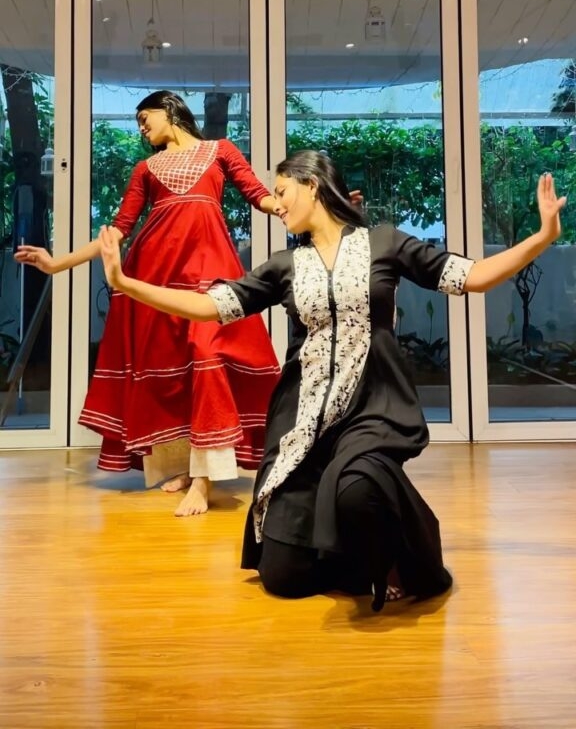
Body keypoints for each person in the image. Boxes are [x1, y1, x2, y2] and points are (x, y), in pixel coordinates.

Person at [96, 150, 565, 609]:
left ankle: (407, 556)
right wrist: (127, 284)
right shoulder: (284, 265)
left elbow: (474, 276)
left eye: (281, 192)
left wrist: (542, 237)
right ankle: (360, 556)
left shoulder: (384, 243)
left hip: (372, 412)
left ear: (312, 185)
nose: (275, 204)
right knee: (283, 577)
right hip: (303, 421)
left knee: (358, 487)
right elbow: (209, 306)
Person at [14, 91, 284, 516]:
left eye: (145, 117)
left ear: (170, 110)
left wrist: (299, 204)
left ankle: (204, 479)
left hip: (208, 270)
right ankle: (183, 465)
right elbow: (119, 229)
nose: (141, 127)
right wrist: (56, 264)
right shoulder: (145, 169)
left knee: (207, 354)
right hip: (154, 273)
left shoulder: (220, 151)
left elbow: (257, 194)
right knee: (169, 371)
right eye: (138, 122)